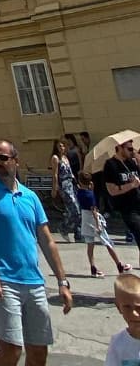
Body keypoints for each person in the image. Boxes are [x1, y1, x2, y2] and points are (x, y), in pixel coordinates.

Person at [0, 139, 72, 366]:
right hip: (5, 282)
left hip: (34, 282)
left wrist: (63, 282)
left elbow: (47, 240)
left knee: (38, 351)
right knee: (11, 349)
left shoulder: (30, 197)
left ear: (16, 161)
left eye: (3, 158)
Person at [76, 170, 130, 278]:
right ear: (89, 182)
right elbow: (94, 211)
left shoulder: (80, 193)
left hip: (85, 219)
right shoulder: (90, 195)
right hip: (93, 219)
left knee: (90, 245)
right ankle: (119, 265)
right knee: (107, 243)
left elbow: (82, 189)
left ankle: (93, 268)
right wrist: (98, 224)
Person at [104, 137, 140, 266]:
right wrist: (131, 185)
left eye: (133, 149)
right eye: (129, 149)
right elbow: (111, 190)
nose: (132, 151)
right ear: (119, 148)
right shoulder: (110, 165)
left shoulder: (132, 162)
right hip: (128, 209)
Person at [50, 138, 82, 243]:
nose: (62, 148)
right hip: (63, 185)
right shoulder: (55, 158)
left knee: (76, 209)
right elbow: (55, 174)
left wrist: (76, 182)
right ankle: (64, 227)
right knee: (74, 208)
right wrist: (55, 188)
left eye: (63, 145)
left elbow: (70, 172)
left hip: (70, 184)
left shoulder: (65, 157)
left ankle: (77, 232)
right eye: (59, 146)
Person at [106, 272, 140, 365]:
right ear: (118, 308)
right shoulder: (117, 343)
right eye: (127, 307)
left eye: (139, 307)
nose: (134, 313)